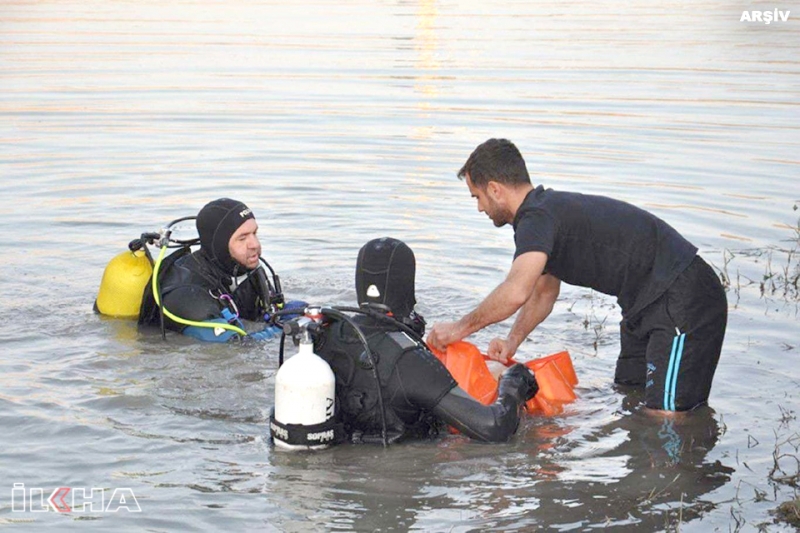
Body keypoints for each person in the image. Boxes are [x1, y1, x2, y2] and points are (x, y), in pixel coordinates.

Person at [427, 138, 727, 413]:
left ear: (495, 189)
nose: (480, 208)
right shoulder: (541, 215)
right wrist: (512, 341)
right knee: (629, 395)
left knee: (666, 414)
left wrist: (458, 330)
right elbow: (543, 293)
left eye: (477, 197)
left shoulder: (537, 218)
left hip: (681, 299)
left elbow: (516, 291)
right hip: (644, 306)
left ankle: (684, 466)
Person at [311, 237, 540, 444]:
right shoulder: (410, 359)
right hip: (398, 479)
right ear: (406, 285)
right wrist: (513, 384)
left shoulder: (325, 335)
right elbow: (494, 428)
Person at [139, 197, 303, 342]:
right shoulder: (186, 294)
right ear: (220, 244)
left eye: (255, 233)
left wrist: (300, 312)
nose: (255, 245)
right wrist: (292, 327)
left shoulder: (242, 268)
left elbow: (270, 313)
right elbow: (235, 345)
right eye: (242, 238)